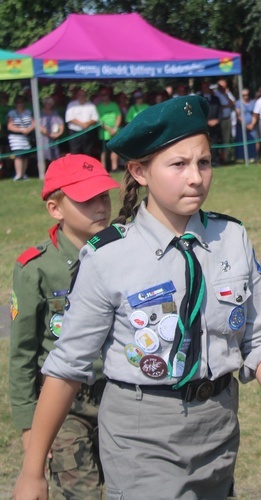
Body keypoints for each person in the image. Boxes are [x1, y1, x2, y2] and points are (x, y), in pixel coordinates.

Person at [13, 95, 261, 498]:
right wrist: (33, 470)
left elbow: (259, 337)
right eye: (178, 165)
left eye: (203, 163)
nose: (196, 177)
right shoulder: (108, 256)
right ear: (139, 172)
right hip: (142, 436)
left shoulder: (232, 237)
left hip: (219, 426)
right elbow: (67, 367)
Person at [10, 154, 119, 498]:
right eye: (87, 200)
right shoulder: (37, 269)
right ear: (56, 209)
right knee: (82, 493)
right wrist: (29, 426)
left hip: (119, 396)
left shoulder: (124, 253)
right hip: (64, 406)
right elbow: (22, 352)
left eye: (104, 196)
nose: (100, 207)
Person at [7, 96, 35, 181]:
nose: (20, 104)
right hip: (16, 138)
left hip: (26, 137)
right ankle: (18, 175)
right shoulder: (12, 113)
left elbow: (34, 123)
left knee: (25, 155)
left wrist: (28, 129)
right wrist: (21, 130)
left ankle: (23, 174)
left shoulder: (28, 112)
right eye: (18, 103)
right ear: (15, 104)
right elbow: (10, 126)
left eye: (21, 102)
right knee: (18, 155)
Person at [65, 88, 99, 156]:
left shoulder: (91, 105)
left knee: (88, 151)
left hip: (88, 132)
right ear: (77, 96)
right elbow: (69, 118)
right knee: (75, 152)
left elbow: (95, 118)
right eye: (80, 95)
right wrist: (82, 124)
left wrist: (87, 124)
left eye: (83, 95)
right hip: (74, 132)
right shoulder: (71, 105)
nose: (82, 97)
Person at [96, 86, 122, 172]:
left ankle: (114, 168)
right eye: (102, 94)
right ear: (100, 96)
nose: (104, 96)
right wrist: (108, 129)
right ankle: (103, 169)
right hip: (104, 133)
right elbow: (98, 120)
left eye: (106, 94)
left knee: (114, 149)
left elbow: (118, 116)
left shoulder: (114, 105)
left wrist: (115, 128)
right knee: (104, 151)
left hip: (115, 131)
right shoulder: (98, 107)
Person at [199, 80, 222, 166]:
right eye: (204, 87)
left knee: (215, 143)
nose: (205, 89)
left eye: (207, 87)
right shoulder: (199, 99)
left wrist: (217, 120)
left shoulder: (216, 99)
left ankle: (214, 160)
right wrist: (206, 122)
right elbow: (197, 113)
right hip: (204, 126)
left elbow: (220, 111)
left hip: (215, 126)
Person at [215, 79, 236, 164]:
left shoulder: (227, 93)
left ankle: (226, 158)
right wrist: (226, 105)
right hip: (219, 119)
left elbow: (233, 103)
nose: (223, 87)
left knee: (226, 139)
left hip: (227, 118)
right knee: (218, 139)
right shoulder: (216, 94)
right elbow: (219, 106)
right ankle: (217, 158)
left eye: (224, 86)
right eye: (221, 86)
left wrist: (226, 95)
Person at [39, 97, 65, 166]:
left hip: (54, 138)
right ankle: (42, 174)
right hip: (43, 138)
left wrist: (59, 133)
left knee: (54, 156)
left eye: (50, 104)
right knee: (42, 156)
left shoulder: (54, 113)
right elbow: (37, 124)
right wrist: (47, 133)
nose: (48, 105)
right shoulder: (39, 113)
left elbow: (61, 124)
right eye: (47, 104)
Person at [235, 87, 257, 162]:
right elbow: (238, 115)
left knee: (252, 141)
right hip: (242, 125)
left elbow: (255, 114)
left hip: (252, 125)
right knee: (242, 141)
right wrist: (245, 125)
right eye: (244, 95)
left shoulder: (252, 102)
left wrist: (252, 124)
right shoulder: (238, 103)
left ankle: (252, 157)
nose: (246, 96)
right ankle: (242, 157)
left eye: (247, 95)